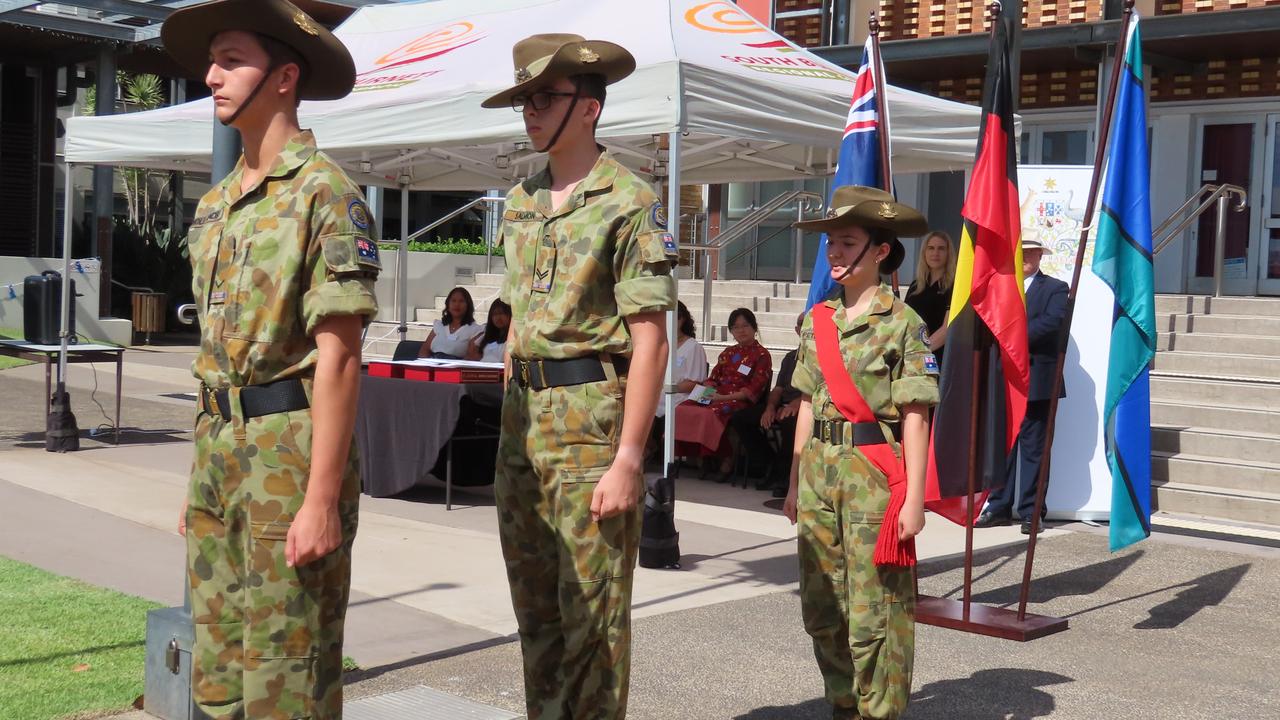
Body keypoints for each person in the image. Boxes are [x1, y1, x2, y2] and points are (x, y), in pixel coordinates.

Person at [162, 1, 379, 717]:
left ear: (285, 76)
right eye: (212, 61)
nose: (212, 75)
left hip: (289, 452)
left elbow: (340, 360)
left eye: (231, 60)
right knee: (218, 667)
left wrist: (321, 502)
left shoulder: (326, 193)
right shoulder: (218, 203)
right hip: (219, 450)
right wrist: (206, 474)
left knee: (289, 671)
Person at [483, 33, 676, 720]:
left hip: (590, 425)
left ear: (588, 107)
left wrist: (630, 456)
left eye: (544, 98)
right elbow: (518, 329)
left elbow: (651, 338)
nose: (531, 111)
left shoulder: (628, 200)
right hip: (523, 429)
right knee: (535, 616)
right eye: (525, 100)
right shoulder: (523, 200)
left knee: (591, 621)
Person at [782, 186, 938, 720]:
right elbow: (805, 405)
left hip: (874, 478)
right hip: (818, 475)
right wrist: (792, 483)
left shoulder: (904, 325)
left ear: (880, 251)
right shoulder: (816, 320)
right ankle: (844, 705)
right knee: (823, 605)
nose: (836, 254)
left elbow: (916, 417)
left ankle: (881, 712)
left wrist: (914, 498)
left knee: (878, 610)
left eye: (847, 243)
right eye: (831, 244)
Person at [976, 238, 1069, 535]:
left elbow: (1052, 323)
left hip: (1038, 379)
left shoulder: (1056, 288)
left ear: (1041, 256)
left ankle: (1031, 511)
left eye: (1032, 252)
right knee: (1003, 446)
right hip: (1004, 378)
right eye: (1022, 252)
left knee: (1035, 448)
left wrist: (1012, 338)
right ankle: (999, 505)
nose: (1026, 257)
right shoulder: (1000, 286)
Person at [673, 307, 772, 481]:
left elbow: (753, 389)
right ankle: (699, 456)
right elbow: (713, 379)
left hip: (738, 400)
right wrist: (706, 393)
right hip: (716, 394)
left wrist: (720, 398)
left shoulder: (762, 355)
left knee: (712, 412)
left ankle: (726, 459)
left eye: (745, 326)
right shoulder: (728, 352)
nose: (741, 331)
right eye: (736, 327)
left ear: (754, 327)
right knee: (683, 408)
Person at [729, 311, 805, 496]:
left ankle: (784, 477)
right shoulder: (790, 358)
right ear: (797, 330)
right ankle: (769, 463)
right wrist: (770, 407)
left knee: (790, 421)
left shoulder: (824, 356)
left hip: (805, 405)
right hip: (782, 403)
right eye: (803, 325)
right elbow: (778, 389)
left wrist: (798, 403)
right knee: (740, 418)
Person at [904, 230, 956, 360]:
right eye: (931, 248)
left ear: (948, 253)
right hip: (910, 354)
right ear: (924, 253)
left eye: (941, 249)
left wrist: (919, 353)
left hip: (937, 357)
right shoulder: (915, 286)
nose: (935, 253)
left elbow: (947, 330)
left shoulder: (954, 286)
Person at [656, 301, 709, 417]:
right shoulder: (659, 344)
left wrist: (667, 388)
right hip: (657, 396)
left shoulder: (693, 347)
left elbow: (695, 384)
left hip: (678, 399)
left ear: (682, 319)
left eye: (675, 318)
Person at [419, 286, 483, 359]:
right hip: (433, 366)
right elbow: (424, 350)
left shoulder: (475, 330)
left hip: (456, 368)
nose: (457, 304)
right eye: (453, 301)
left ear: (468, 305)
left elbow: (471, 357)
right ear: (448, 304)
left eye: (461, 301)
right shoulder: (439, 325)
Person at [468, 298, 512, 363]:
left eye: (502, 313)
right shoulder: (486, 335)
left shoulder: (513, 338)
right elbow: (472, 352)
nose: (498, 317)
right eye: (495, 314)